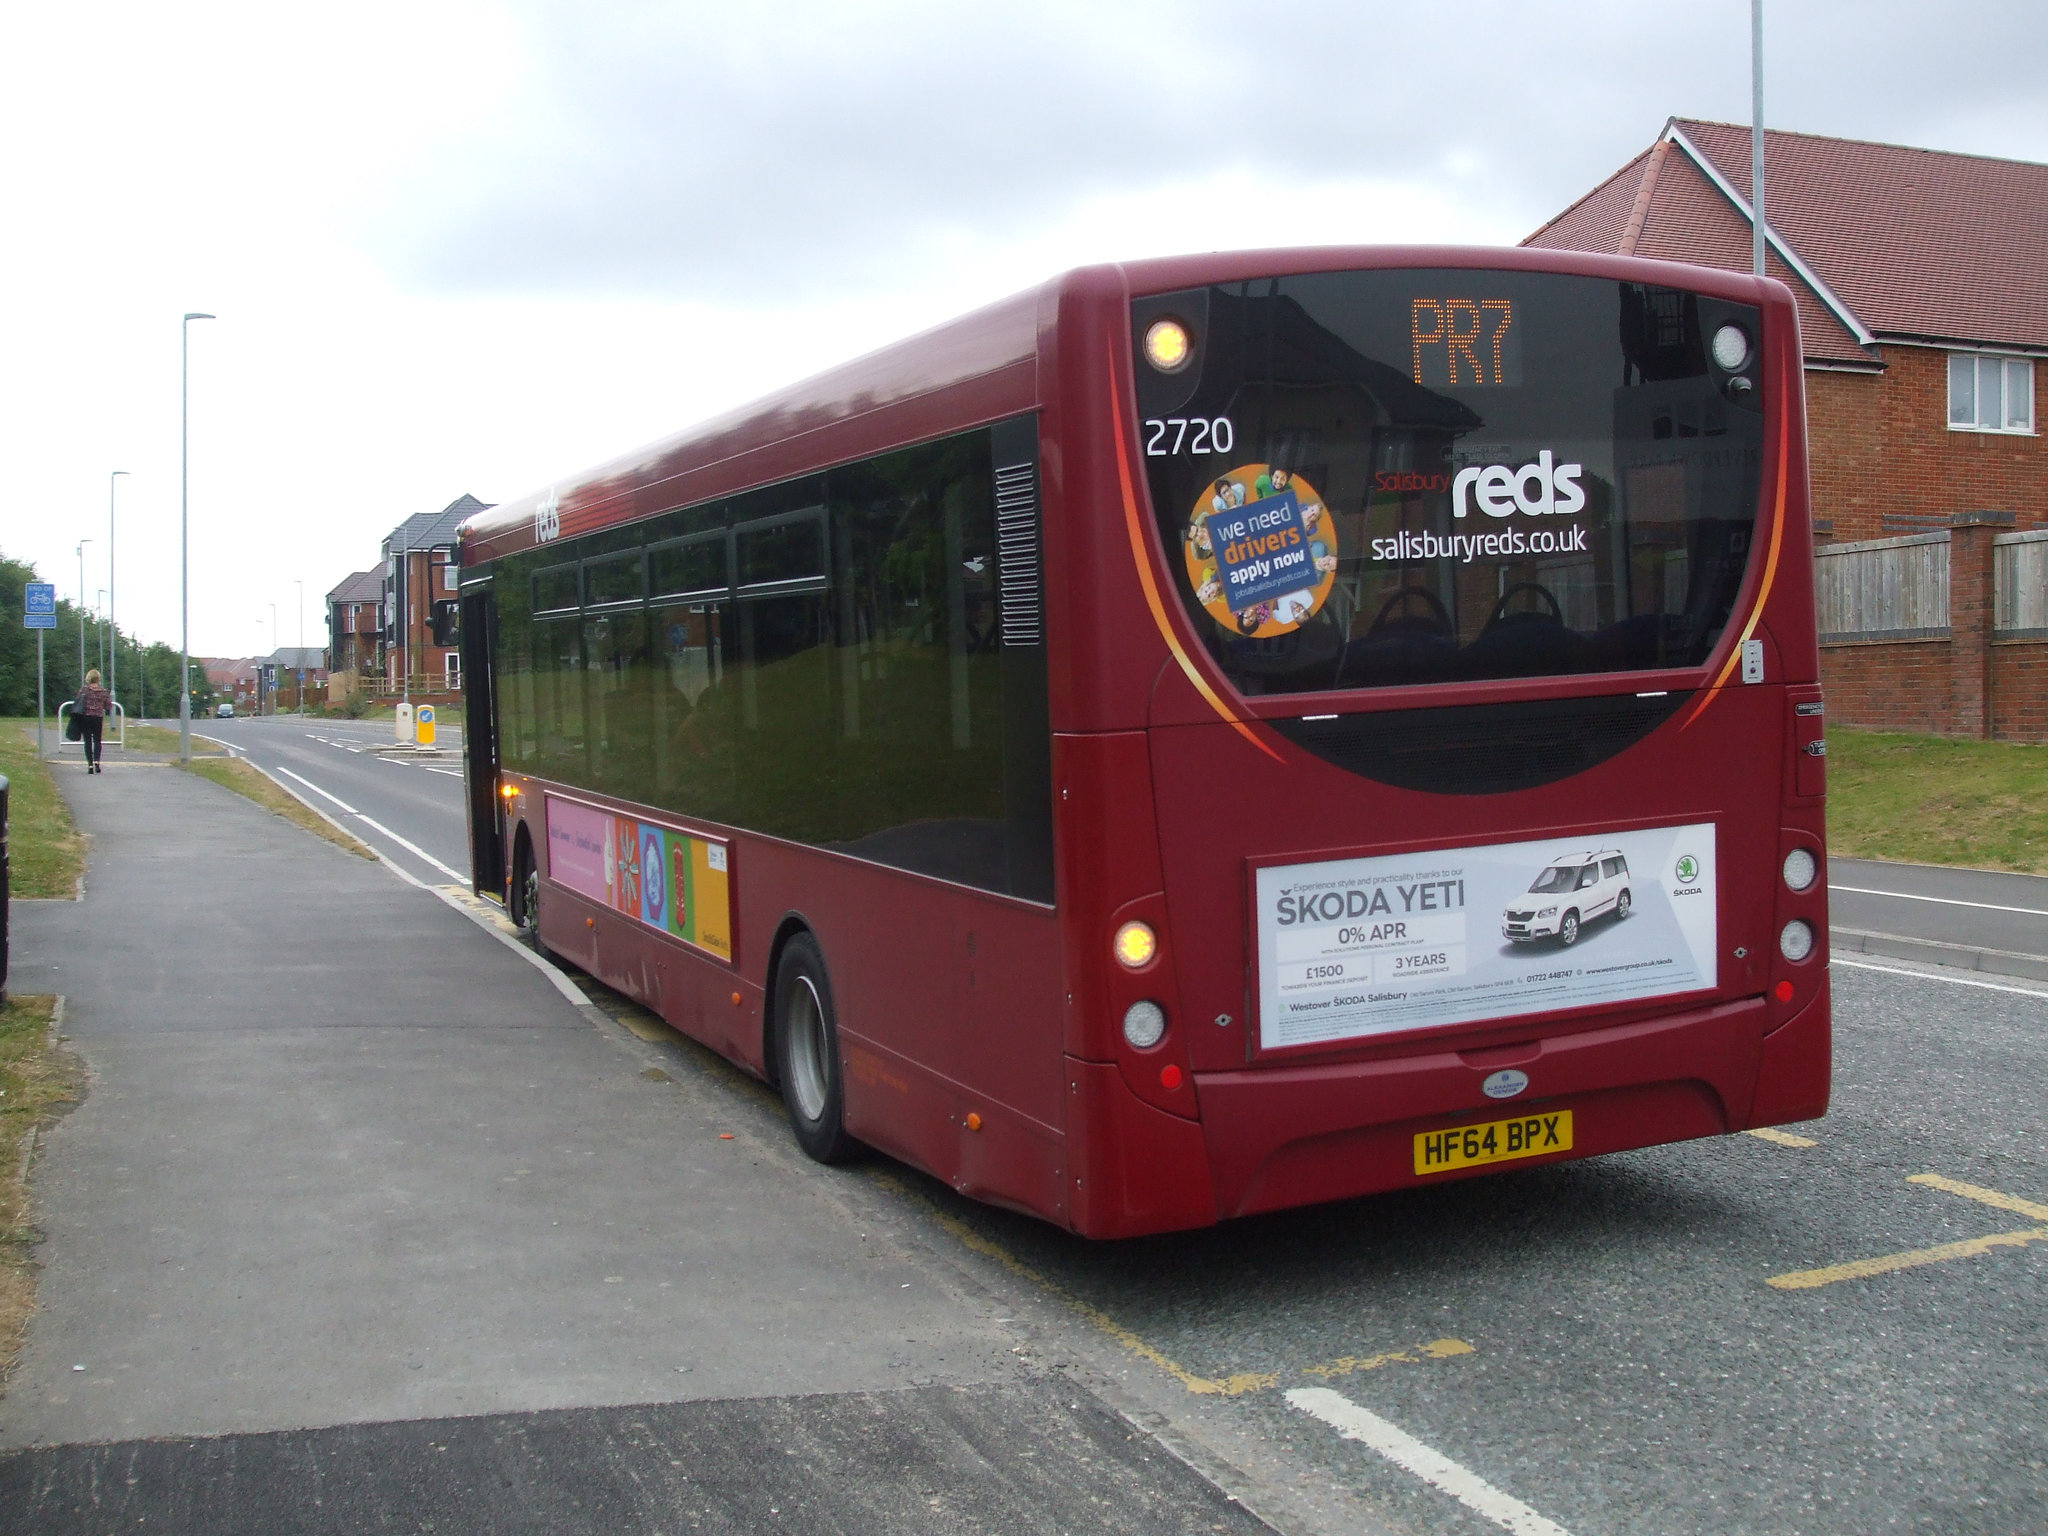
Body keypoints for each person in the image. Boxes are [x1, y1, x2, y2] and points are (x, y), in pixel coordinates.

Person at [76, 668, 112, 774]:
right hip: (98, 718)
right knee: (97, 741)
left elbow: (78, 701)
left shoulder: (84, 690)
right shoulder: (103, 691)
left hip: (86, 717)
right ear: (98, 679)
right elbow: (108, 706)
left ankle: (90, 765)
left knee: (87, 741)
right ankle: (97, 762)